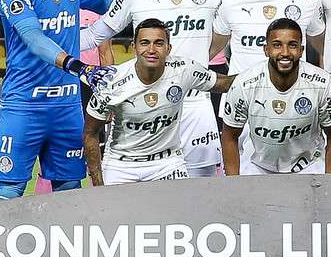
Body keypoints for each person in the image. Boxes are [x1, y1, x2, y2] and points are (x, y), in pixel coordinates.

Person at [80, 0, 233, 178]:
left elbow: (242, 19)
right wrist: (50, 45)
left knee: (202, 194)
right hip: (145, 107)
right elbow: (96, 34)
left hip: (196, 105)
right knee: (144, 198)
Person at [0, 0, 116, 201]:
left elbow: (104, 2)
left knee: (70, 190)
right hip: (24, 105)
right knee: (11, 189)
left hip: (66, 106)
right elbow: (34, 39)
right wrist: (76, 65)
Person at [84, 19, 236, 185]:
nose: (151, 50)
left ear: (168, 48)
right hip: (121, 166)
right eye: (144, 43)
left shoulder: (184, 70)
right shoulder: (111, 82)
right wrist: (98, 185)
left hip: (168, 163)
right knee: (112, 211)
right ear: (134, 47)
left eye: (158, 43)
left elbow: (223, 83)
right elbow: (90, 133)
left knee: (180, 210)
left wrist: (261, 74)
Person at [221, 18, 331, 175]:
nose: (285, 53)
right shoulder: (244, 84)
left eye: (292, 45)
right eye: (277, 45)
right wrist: (233, 183)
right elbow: (229, 136)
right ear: (266, 49)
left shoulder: (323, 83)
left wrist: (330, 181)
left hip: (308, 165)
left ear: (301, 50)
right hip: (259, 165)